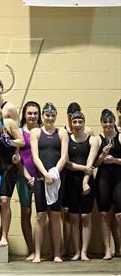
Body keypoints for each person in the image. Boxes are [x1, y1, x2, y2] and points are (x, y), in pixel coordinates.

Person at [30, 102, 69, 263]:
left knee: (55, 215)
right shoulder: (36, 132)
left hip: (56, 179)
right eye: (47, 115)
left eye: (53, 115)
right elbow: (35, 157)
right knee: (40, 216)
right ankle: (38, 254)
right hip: (41, 178)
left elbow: (64, 157)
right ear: (42, 116)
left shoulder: (62, 133)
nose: (50, 118)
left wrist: (54, 174)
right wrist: (46, 174)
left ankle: (57, 254)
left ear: (55, 116)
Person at [0, 103, 24, 247]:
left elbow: (22, 141)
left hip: (9, 166)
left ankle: (4, 237)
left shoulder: (9, 124)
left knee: (5, 201)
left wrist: (10, 142)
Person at [64, 111, 99, 261]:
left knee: (85, 216)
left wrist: (85, 181)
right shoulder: (66, 139)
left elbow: (90, 165)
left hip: (87, 181)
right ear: (71, 123)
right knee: (73, 217)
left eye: (80, 122)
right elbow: (66, 163)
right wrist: (82, 168)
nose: (77, 125)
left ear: (84, 123)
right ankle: (76, 251)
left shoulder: (93, 140)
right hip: (71, 181)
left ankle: (84, 251)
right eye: (74, 122)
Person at [94, 109, 121, 260]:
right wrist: (103, 155)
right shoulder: (98, 139)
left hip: (118, 178)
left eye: (110, 122)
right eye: (105, 122)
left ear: (114, 122)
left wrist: (115, 160)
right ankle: (107, 250)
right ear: (101, 123)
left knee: (119, 216)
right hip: (103, 179)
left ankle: (119, 248)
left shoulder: (120, 137)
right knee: (104, 214)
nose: (108, 125)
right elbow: (95, 164)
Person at [17, 101, 42, 260]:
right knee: (26, 212)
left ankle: (40, 250)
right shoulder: (19, 132)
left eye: (35, 113)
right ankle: (32, 250)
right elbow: (17, 158)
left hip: (41, 177)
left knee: (42, 214)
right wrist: (27, 176)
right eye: (29, 113)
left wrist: (40, 176)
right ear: (24, 115)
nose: (32, 116)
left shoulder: (43, 131)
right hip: (24, 176)